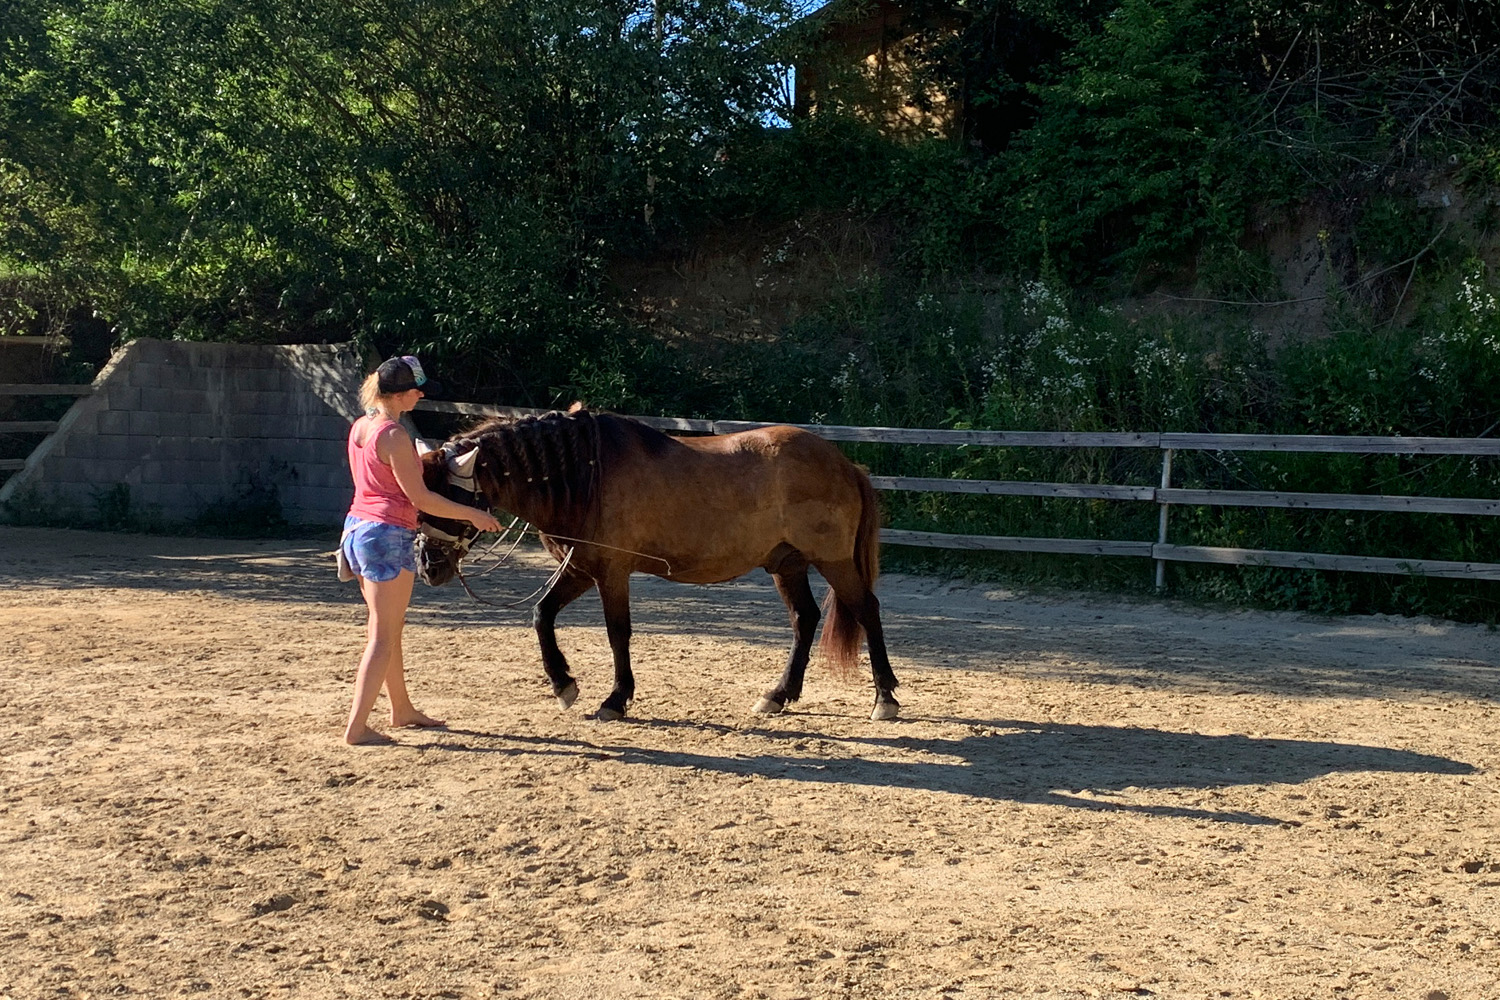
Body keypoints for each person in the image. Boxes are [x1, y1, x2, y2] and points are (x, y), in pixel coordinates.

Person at [340, 355, 501, 745]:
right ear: (399, 394)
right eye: (416, 389)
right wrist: (473, 514)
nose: (421, 395)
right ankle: (357, 728)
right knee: (382, 636)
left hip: (358, 530)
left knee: (387, 629)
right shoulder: (394, 436)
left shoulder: (362, 426)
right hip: (387, 535)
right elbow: (421, 498)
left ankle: (401, 709)